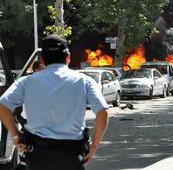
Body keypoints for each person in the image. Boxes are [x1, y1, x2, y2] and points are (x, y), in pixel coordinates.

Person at [0, 35, 109, 170]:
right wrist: (93, 147)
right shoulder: (84, 81)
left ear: (43, 59)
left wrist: (16, 135)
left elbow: (3, 105)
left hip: (37, 156)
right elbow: (102, 112)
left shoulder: (26, 82)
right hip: (72, 155)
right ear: (68, 57)